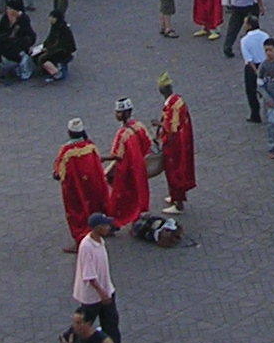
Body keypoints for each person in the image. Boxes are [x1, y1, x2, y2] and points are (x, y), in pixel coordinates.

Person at [53, 119, 110, 252]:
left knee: (77, 212)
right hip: (92, 186)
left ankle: (80, 241)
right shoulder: (90, 145)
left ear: (69, 132)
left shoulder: (66, 150)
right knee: (93, 207)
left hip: (75, 189)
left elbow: (58, 173)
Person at [72, 213, 120, 343]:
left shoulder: (100, 241)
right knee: (86, 322)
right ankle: (72, 340)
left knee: (111, 323)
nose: (109, 227)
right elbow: (90, 276)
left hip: (106, 290)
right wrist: (102, 293)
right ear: (97, 228)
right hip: (93, 296)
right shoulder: (86, 246)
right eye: (105, 225)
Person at [105, 98, 151, 226]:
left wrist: (102, 159)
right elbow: (147, 142)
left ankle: (116, 222)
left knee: (121, 197)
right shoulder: (139, 125)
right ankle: (139, 214)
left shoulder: (122, 133)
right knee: (139, 191)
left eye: (118, 112)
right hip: (139, 166)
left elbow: (117, 155)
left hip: (126, 171)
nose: (116, 115)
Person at [156, 74, 196, 213]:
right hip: (180, 141)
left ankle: (178, 203)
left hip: (174, 144)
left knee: (174, 171)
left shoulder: (172, 106)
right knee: (173, 170)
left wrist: (159, 124)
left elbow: (171, 128)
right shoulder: (177, 100)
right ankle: (174, 197)